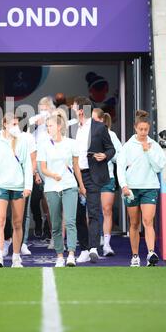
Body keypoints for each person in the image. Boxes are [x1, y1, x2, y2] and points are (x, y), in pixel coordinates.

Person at [0, 113, 32, 268]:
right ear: (4, 124)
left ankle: (16, 258)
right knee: (0, 221)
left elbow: (27, 165)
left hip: (18, 187)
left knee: (17, 223)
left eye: (17, 124)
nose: (15, 127)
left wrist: (28, 186)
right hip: (0, 186)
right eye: (12, 124)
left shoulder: (22, 141)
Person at [117, 110, 166, 267]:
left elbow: (159, 167)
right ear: (135, 128)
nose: (144, 132)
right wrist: (124, 186)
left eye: (146, 129)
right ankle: (135, 256)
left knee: (148, 220)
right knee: (134, 223)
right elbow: (120, 167)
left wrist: (149, 150)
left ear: (149, 128)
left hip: (149, 187)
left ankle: (151, 253)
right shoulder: (127, 146)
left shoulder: (155, 145)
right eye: (141, 129)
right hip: (131, 189)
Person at [38, 110, 85, 267]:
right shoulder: (44, 145)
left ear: (59, 126)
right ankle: (59, 256)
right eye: (47, 126)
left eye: (50, 125)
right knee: (57, 224)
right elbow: (42, 168)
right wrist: (53, 175)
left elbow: (76, 167)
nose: (48, 128)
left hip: (70, 186)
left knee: (70, 221)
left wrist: (81, 186)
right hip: (51, 187)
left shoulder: (71, 143)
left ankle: (71, 254)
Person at [72, 96, 115, 263]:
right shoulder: (72, 128)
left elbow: (111, 149)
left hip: (93, 174)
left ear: (81, 111)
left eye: (75, 108)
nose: (73, 111)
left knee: (94, 212)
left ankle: (93, 248)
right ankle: (83, 248)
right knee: (78, 215)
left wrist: (104, 155)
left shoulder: (99, 127)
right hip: (75, 175)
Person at [92, 109, 122, 256]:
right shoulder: (85, 134)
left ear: (102, 121)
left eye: (94, 120)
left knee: (107, 210)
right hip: (90, 178)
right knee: (92, 212)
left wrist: (106, 155)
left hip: (107, 177)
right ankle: (93, 245)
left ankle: (107, 245)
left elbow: (119, 155)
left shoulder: (111, 135)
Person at [31, 96, 56, 240]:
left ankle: (56, 234)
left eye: (45, 110)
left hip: (54, 170)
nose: (43, 113)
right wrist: (35, 172)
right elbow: (33, 152)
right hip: (41, 169)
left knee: (56, 204)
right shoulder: (37, 130)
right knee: (44, 202)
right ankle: (51, 232)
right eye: (41, 110)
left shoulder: (56, 127)